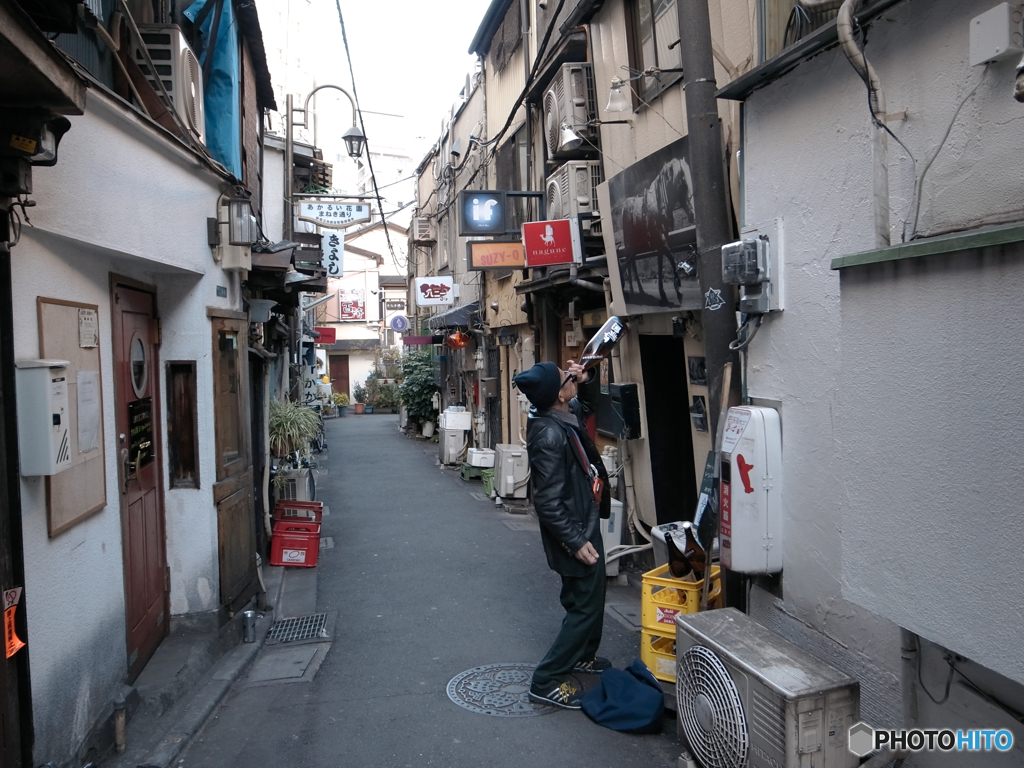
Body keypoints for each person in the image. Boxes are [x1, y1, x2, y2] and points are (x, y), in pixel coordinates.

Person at [513, 359, 612, 709]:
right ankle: (546, 679)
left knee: (588, 594)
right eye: (565, 377)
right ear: (557, 394)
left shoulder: (559, 415)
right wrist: (576, 541)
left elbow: (587, 406)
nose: (570, 375)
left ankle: (583, 655)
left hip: (582, 521)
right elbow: (548, 502)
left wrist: (584, 380)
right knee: (583, 606)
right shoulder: (550, 434)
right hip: (574, 531)